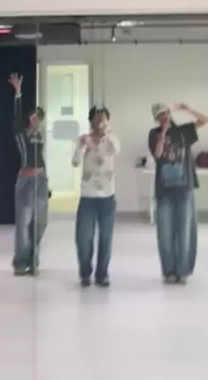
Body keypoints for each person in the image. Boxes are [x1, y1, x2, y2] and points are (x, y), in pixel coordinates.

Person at [148, 102, 208, 285]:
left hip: (185, 187)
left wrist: (187, 110)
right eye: (160, 115)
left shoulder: (184, 131)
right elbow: (158, 154)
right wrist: (163, 134)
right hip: (164, 190)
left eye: (165, 113)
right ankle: (169, 272)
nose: (164, 117)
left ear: (169, 113)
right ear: (156, 119)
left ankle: (183, 271)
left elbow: (204, 120)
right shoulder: (153, 134)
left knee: (185, 230)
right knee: (165, 232)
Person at [72, 105, 120, 288]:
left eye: (104, 118)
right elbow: (75, 162)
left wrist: (106, 134)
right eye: (97, 118)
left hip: (107, 196)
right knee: (84, 238)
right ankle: (85, 273)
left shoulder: (111, 139)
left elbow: (116, 149)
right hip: (88, 197)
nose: (100, 122)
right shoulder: (84, 139)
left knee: (106, 238)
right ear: (91, 120)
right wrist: (81, 146)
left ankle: (102, 274)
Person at [9, 72, 49, 277]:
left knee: (40, 223)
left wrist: (46, 182)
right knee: (23, 224)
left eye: (39, 117)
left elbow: (41, 159)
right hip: (25, 182)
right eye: (34, 116)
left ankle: (33, 260)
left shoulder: (41, 136)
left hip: (40, 182)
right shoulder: (21, 134)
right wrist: (18, 93)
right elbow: (16, 119)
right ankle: (20, 262)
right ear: (29, 118)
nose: (36, 120)